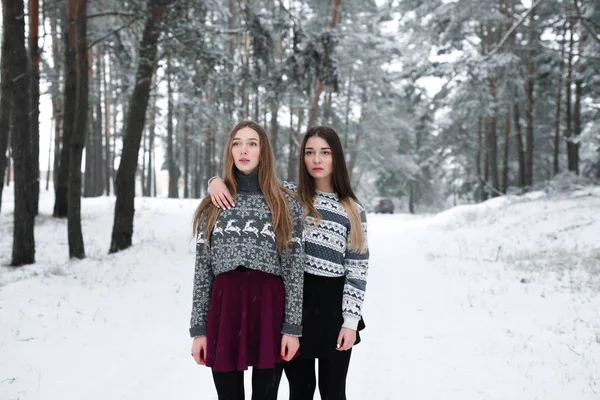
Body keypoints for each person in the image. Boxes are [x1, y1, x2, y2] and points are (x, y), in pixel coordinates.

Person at [209, 126, 369, 400]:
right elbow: (251, 180)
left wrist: (350, 321)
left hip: (333, 310)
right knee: (300, 390)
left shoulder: (352, 210)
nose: (317, 160)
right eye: (310, 152)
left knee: (333, 391)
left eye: (325, 152)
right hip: (293, 308)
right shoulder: (288, 196)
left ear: (336, 158)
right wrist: (215, 181)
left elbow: (358, 268)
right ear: (302, 158)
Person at [190, 121, 305, 400]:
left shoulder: (284, 202)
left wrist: (292, 328)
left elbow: (294, 268)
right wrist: (198, 330)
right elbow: (203, 269)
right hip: (225, 305)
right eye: (237, 143)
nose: (244, 150)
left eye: (252, 143)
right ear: (230, 151)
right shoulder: (214, 203)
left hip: (269, 307)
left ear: (263, 151)